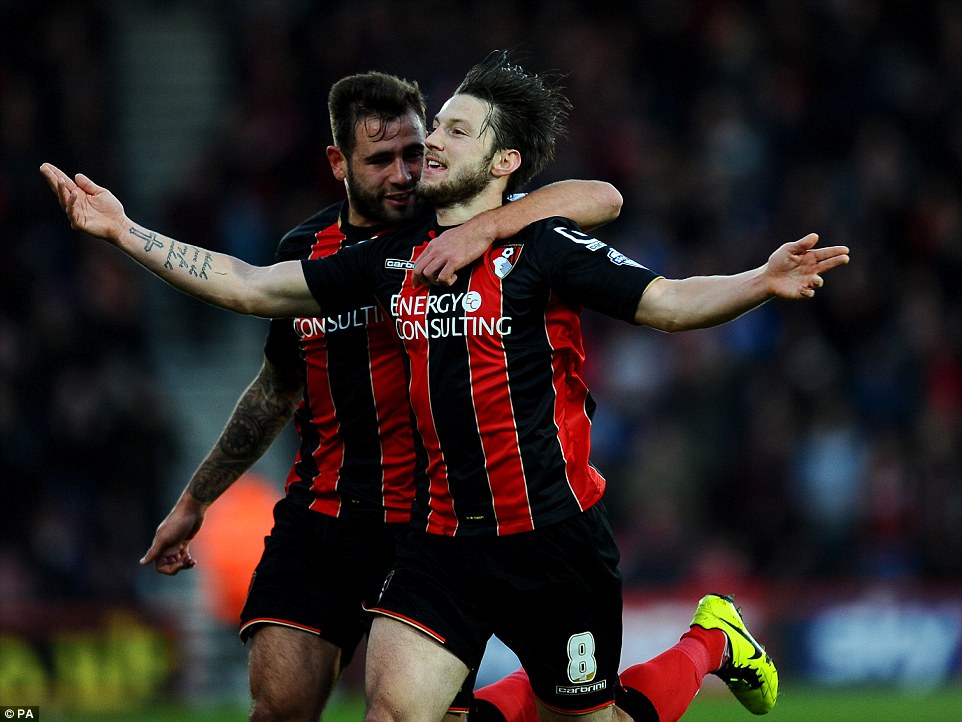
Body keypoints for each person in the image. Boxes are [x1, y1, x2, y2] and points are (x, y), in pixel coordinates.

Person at [42, 50, 849, 722]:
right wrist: (125, 232)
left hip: (554, 540)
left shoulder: (544, 247)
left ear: (502, 164)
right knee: (394, 714)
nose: (430, 142)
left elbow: (666, 300)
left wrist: (757, 279)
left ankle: (710, 641)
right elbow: (255, 286)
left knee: (596, 717)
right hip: (444, 541)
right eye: (437, 126)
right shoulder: (395, 256)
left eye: (454, 131)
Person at [132, 70, 623, 722]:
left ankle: (700, 649)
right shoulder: (309, 250)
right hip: (325, 515)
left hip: (425, 521)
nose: (403, 174)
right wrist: (197, 500)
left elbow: (596, 197)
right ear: (338, 162)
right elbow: (276, 384)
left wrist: (489, 226)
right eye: (380, 159)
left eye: (414, 153)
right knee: (279, 706)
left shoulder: (451, 218)